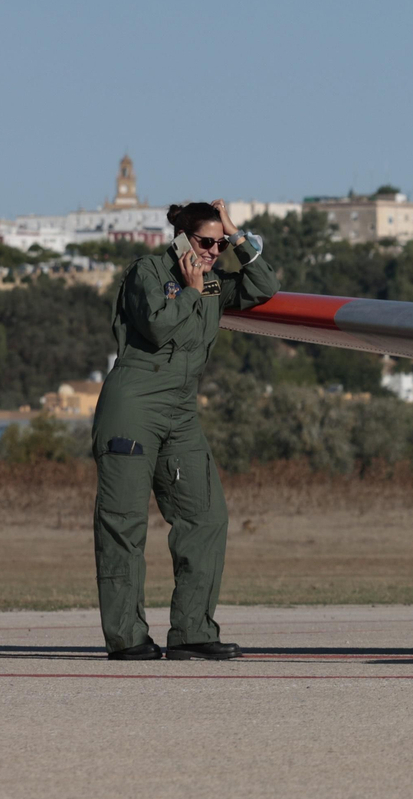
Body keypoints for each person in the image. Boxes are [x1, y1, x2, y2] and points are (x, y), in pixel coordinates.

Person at [91, 200, 278, 660]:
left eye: (219, 243)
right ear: (179, 238)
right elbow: (157, 327)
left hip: (181, 412)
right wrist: (191, 292)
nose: (213, 251)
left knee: (205, 517)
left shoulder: (215, 279)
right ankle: (126, 638)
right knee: (125, 525)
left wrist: (236, 235)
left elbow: (265, 286)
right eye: (205, 241)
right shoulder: (147, 273)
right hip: (132, 407)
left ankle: (193, 631)